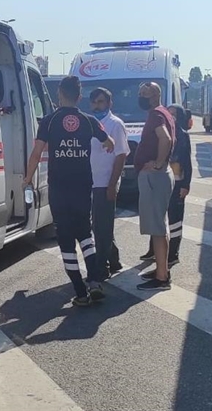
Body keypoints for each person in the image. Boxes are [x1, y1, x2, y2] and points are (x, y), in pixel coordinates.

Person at [24, 76, 115, 306]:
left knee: (65, 239)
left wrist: (27, 179)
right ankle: (94, 281)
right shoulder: (89, 121)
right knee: (85, 234)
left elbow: (36, 154)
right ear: (79, 97)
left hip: (59, 188)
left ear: (60, 95)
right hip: (83, 186)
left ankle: (80, 293)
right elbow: (109, 142)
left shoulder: (49, 121)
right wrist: (105, 147)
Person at [133, 82, 176, 291]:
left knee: (158, 228)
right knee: (161, 225)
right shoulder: (165, 113)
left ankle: (161, 277)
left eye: (144, 93)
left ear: (155, 95)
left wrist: (158, 163)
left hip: (155, 177)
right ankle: (162, 269)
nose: (141, 97)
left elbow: (165, 140)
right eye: (140, 93)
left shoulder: (156, 116)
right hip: (161, 177)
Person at [140, 103, 193, 271]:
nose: (170, 117)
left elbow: (187, 163)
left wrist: (186, 185)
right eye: (168, 114)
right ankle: (153, 251)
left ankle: (173, 254)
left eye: (174, 114)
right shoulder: (161, 131)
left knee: (175, 221)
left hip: (177, 182)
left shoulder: (183, 135)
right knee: (157, 217)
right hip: (161, 179)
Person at [87, 88, 130, 279]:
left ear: (109, 103)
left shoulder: (115, 124)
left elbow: (121, 156)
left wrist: (112, 184)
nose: (97, 105)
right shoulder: (90, 123)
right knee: (100, 225)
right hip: (91, 182)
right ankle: (113, 259)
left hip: (106, 182)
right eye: (95, 102)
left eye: (101, 101)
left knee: (102, 227)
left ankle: (101, 268)